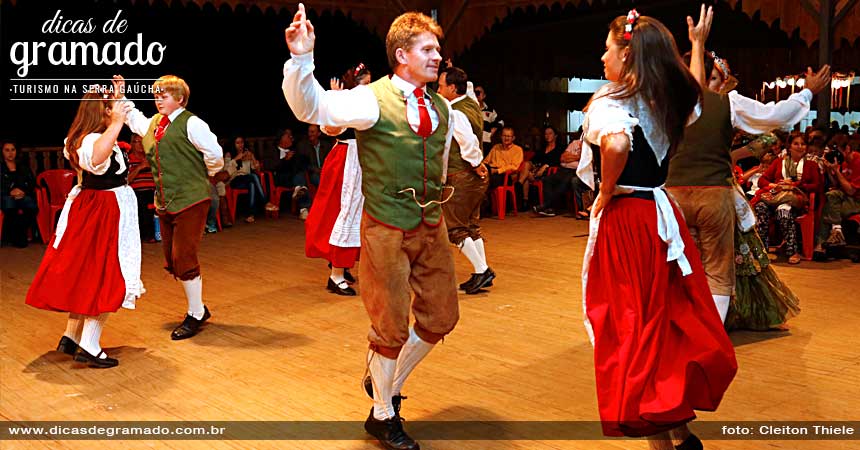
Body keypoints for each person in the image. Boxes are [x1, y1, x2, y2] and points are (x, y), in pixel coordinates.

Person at [283, 6, 460, 450]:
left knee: (442, 317)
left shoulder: (442, 107)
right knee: (390, 327)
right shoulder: (370, 99)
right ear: (402, 54)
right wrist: (302, 60)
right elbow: (313, 107)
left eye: (437, 48)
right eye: (428, 49)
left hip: (430, 224)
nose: (437, 56)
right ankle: (383, 413)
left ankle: (385, 380)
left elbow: (436, 165)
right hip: (385, 229)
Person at [577, 9, 736, 448]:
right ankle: (679, 435)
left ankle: (664, 438)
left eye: (608, 49)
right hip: (661, 221)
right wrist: (698, 45)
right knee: (659, 323)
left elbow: (617, 142)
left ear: (627, 55)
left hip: (627, 223)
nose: (602, 57)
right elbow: (696, 88)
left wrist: (607, 191)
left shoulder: (610, 103)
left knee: (632, 327)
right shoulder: (666, 99)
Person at [668, 5, 830, 318]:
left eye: (719, 78)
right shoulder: (727, 103)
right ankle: (708, 332)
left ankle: (682, 325)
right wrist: (807, 93)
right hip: (712, 194)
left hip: (674, 195)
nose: (715, 83)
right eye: (711, 77)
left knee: (679, 262)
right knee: (715, 269)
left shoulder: (664, 102)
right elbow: (775, 117)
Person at [25, 89, 144, 368]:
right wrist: (115, 123)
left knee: (90, 273)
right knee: (106, 275)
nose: (113, 112)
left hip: (96, 208)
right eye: (107, 108)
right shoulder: (91, 140)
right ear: (97, 112)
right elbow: (98, 159)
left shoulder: (85, 137)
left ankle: (71, 335)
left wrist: (118, 98)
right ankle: (89, 344)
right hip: (104, 210)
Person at [115, 74, 224, 341]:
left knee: (184, 256)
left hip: (192, 199)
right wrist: (121, 94)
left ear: (180, 98)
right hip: (166, 200)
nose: (158, 99)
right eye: (156, 95)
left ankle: (195, 313)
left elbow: (215, 156)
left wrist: (200, 177)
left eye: (164, 95)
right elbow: (133, 116)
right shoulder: (154, 124)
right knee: (172, 259)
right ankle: (199, 310)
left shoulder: (193, 123)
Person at [305, 62, 373, 296]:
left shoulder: (358, 97)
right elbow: (329, 128)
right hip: (349, 158)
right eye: (365, 77)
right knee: (346, 211)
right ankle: (336, 274)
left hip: (355, 157)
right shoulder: (352, 99)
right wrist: (335, 101)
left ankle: (341, 267)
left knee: (349, 211)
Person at [436, 66, 492, 294]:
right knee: (471, 225)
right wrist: (450, 68)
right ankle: (483, 272)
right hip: (475, 179)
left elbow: (467, 141)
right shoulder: (471, 102)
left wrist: (476, 162)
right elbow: (466, 86)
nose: (437, 90)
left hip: (461, 175)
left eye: (440, 86)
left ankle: (482, 270)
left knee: (455, 228)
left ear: (452, 88)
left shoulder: (454, 111)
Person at [753, 132, 821, 264]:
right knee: (760, 207)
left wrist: (795, 185)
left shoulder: (811, 165)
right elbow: (762, 180)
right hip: (776, 197)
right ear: (789, 146)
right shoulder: (779, 162)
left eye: (803, 144)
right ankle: (763, 249)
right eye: (796, 143)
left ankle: (792, 250)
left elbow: (816, 186)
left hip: (795, 200)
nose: (800, 146)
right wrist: (773, 185)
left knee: (783, 211)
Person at [1, 141, 39, 248]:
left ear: (16, 151)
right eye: (7, 150)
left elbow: (31, 183)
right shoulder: (1, 167)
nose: (10, 153)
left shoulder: (23, 167)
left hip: (22, 196)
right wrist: (10, 192)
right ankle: (17, 237)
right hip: (5, 196)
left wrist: (23, 191)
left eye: (13, 150)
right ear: (2, 152)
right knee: (10, 203)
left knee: (31, 205)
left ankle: (20, 233)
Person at [126, 134, 157, 242]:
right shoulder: (127, 159)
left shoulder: (151, 157)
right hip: (136, 192)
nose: (140, 145)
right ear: (131, 144)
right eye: (137, 142)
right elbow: (125, 180)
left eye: (142, 142)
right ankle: (146, 236)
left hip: (154, 191)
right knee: (142, 201)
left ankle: (158, 233)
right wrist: (139, 168)